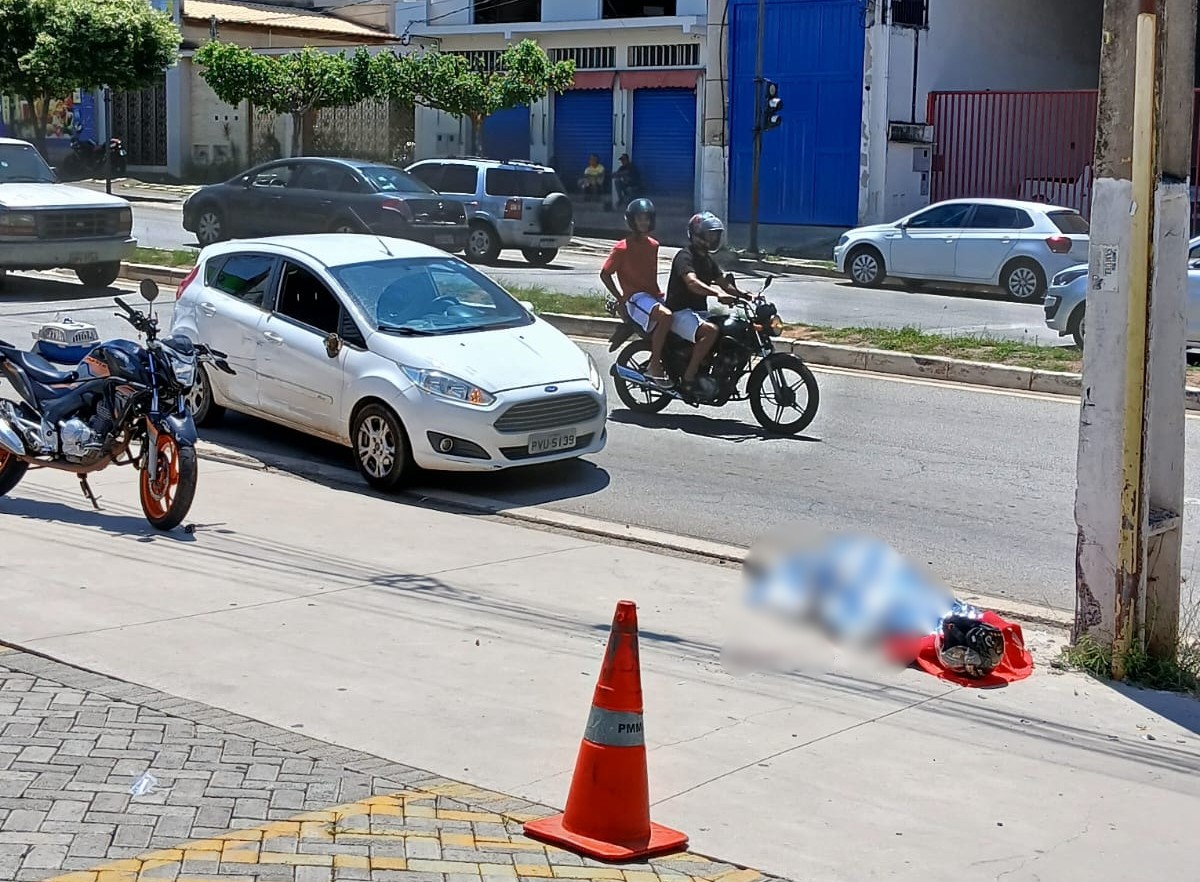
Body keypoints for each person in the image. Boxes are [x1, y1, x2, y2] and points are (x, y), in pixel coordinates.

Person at [665, 211, 744, 392]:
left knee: (728, 328)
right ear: (697, 234)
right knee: (710, 332)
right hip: (679, 312)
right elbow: (692, 283)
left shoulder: (708, 260)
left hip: (698, 313)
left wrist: (745, 296)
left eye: (715, 234)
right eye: (710, 234)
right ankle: (689, 378)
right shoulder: (685, 256)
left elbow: (724, 283)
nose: (713, 238)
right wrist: (716, 294)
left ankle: (713, 372)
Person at [600, 198, 673, 384]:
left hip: (653, 296)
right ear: (632, 220)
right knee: (665, 316)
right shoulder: (622, 248)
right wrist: (620, 298)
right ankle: (654, 365)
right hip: (635, 298)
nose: (644, 222)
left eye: (647, 219)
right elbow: (605, 274)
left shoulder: (654, 245)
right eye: (640, 219)